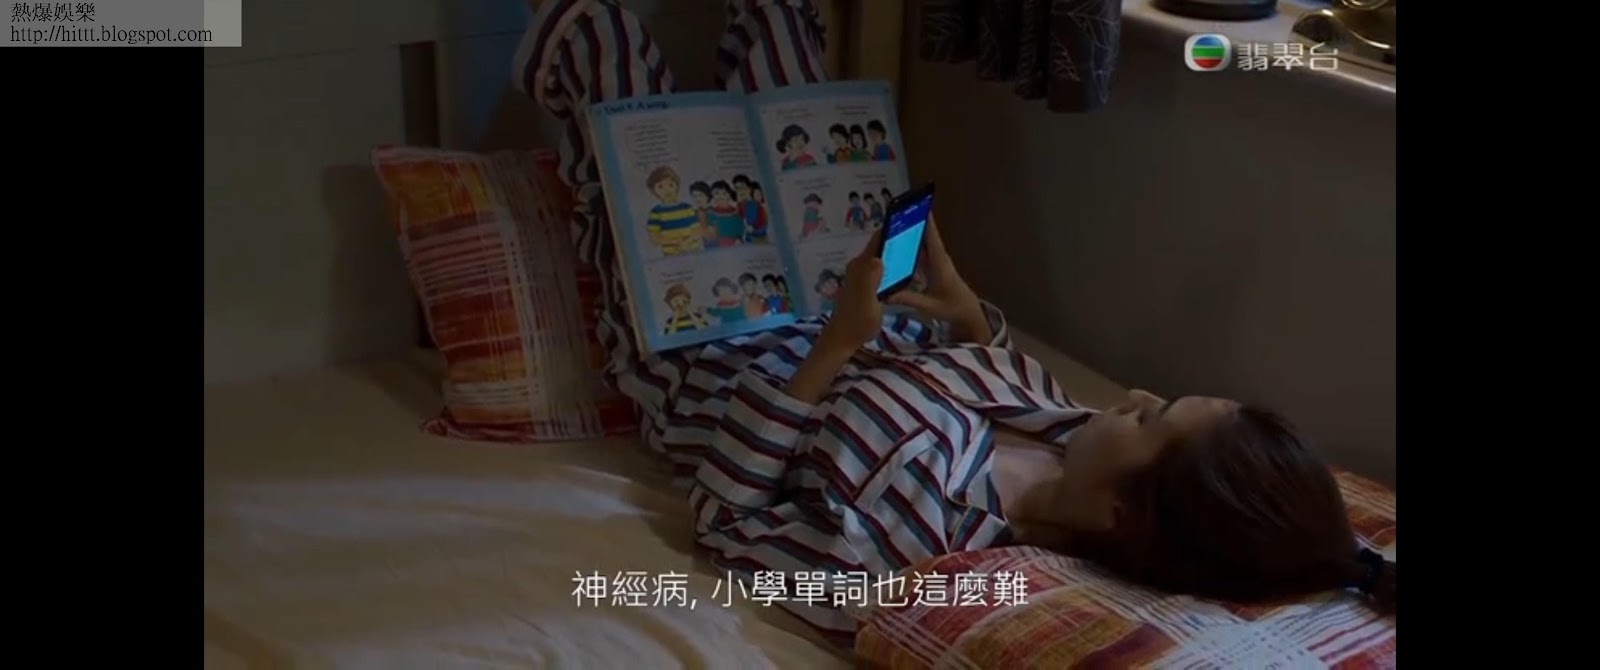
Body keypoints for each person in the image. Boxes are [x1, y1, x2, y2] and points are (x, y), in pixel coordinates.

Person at [513, 0, 1394, 644]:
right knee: (783, 20)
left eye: (1148, 417)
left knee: (602, 41)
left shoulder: (920, 546)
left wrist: (834, 348)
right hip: (836, 293)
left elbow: (726, 519)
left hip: (709, 347)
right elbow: (994, 377)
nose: (1129, 395)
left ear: (1120, 514)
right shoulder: (1070, 439)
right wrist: (970, 317)